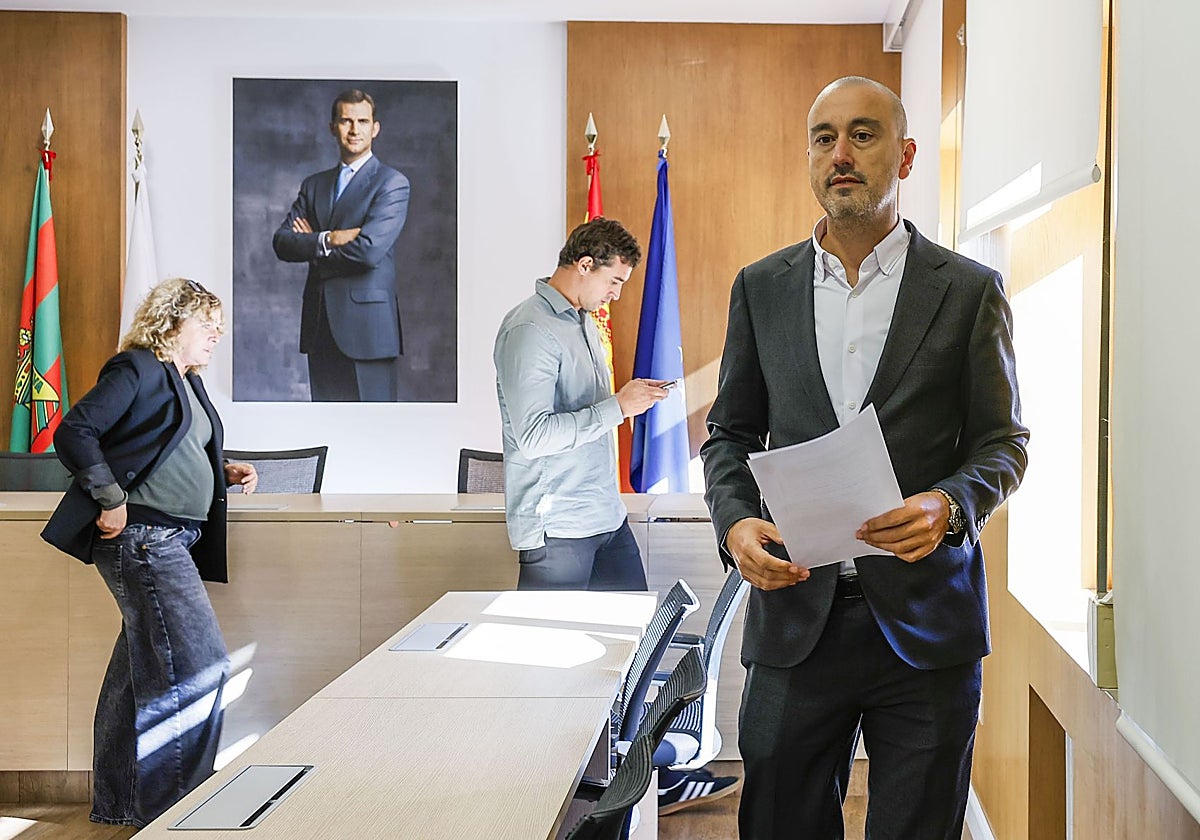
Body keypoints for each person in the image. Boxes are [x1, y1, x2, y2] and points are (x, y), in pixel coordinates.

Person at [701, 76, 1029, 839]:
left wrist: (950, 505)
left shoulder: (969, 290)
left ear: (906, 155)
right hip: (794, 620)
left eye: (863, 134)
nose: (840, 153)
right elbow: (729, 434)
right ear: (810, 158)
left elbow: (1004, 442)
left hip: (928, 626)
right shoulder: (761, 288)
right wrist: (736, 524)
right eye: (824, 138)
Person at [41, 278, 259, 828]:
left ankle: (119, 806)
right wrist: (110, 497)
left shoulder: (187, 381)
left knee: (138, 676)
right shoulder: (138, 367)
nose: (216, 335)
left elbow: (162, 445)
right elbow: (75, 431)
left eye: (219, 327)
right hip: (144, 539)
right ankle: (178, 815)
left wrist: (222, 470)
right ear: (172, 322)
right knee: (202, 670)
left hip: (171, 538)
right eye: (206, 324)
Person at [493, 217, 668, 591]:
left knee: (636, 625)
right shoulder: (530, 329)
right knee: (553, 634)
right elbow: (534, 437)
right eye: (614, 281)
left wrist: (630, 398)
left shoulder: (584, 321)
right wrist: (619, 407)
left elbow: (588, 408)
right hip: (558, 529)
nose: (616, 295)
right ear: (585, 265)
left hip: (606, 516)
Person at [273, 88, 410, 402]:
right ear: (332, 127)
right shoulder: (314, 185)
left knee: (374, 428)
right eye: (346, 121)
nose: (354, 129)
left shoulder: (391, 183)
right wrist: (330, 238)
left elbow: (368, 252)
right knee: (325, 425)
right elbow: (282, 242)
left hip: (369, 333)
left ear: (375, 128)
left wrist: (312, 248)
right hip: (320, 328)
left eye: (362, 121)